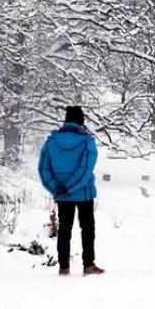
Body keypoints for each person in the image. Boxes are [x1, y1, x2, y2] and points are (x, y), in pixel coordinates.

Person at [38, 106, 105, 276]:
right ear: (81, 121)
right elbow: (85, 170)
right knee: (87, 229)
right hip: (83, 193)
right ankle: (88, 266)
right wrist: (69, 187)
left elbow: (43, 169)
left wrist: (58, 188)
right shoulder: (87, 141)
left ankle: (64, 268)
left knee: (64, 229)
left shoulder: (51, 142)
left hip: (62, 194)